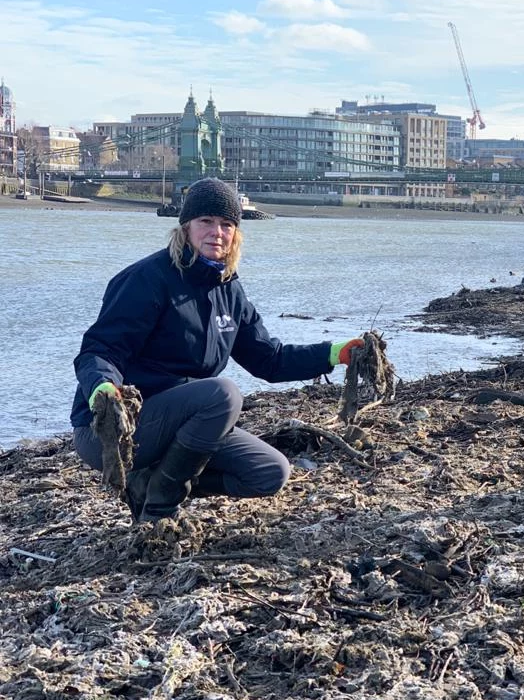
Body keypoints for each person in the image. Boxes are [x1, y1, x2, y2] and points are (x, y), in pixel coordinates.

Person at [71, 177, 364, 522]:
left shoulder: (230, 290)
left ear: (236, 233)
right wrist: (103, 388)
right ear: (186, 227)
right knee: (223, 394)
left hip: (183, 423)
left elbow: (269, 360)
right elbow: (100, 349)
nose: (217, 232)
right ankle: (160, 507)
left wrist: (334, 353)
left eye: (226, 224)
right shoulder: (147, 279)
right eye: (206, 221)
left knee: (269, 471)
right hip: (112, 432)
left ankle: (145, 483)